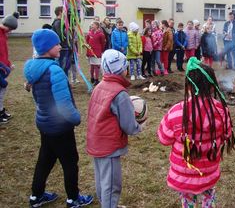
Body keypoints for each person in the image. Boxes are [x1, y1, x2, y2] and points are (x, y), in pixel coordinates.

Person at [24, 29, 93, 208]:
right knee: (70, 162)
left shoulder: (33, 68)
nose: (60, 46)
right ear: (48, 48)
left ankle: (36, 196)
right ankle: (73, 198)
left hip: (44, 123)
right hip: (60, 126)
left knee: (45, 160)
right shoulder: (55, 70)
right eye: (56, 44)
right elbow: (63, 104)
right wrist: (76, 118)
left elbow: (38, 98)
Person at [157, 57, 235, 207]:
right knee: (208, 195)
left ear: (188, 87)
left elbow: (164, 138)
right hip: (208, 172)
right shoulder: (221, 111)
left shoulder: (176, 112)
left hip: (184, 174)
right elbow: (226, 134)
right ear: (213, 87)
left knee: (187, 201)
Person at [87, 49, 144, 207]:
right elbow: (129, 126)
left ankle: (107, 204)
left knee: (102, 179)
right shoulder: (120, 94)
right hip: (109, 146)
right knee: (112, 184)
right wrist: (139, 126)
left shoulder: (99, 86)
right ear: (121, 69)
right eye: (125, 66)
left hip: (96, 141)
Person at [0, 12, 19, 124]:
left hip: (3, 68)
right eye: (11, 29)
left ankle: (1, 110)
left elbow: (3, 53)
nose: (11, 32)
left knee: (2, 89)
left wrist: (8, 64)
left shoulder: (3, 36)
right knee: (2, 88)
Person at [52, 6, 72, 75]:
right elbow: (60, 36)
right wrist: (67, 32)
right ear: (60, 12)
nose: (65, 13)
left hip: (65, 47)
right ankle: (62, 82)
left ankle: (65, 82)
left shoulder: (61, 22)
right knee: (63, 67)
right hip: (62, 48)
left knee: (66, 66)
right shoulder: (58, 23)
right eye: (64, 11)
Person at [86, 21, 106, 85]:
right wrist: (88, 49)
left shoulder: (101, 34)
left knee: (96, 66)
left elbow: (103, 43)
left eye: (93, 25)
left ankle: (96, 79)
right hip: (90, 52)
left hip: (97, 52)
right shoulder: (89, 33)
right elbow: (87, 42)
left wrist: (101, 50)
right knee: (92, 66)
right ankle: (92, 78)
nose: (91, 26)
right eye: (91, 25)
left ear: (97, 26)